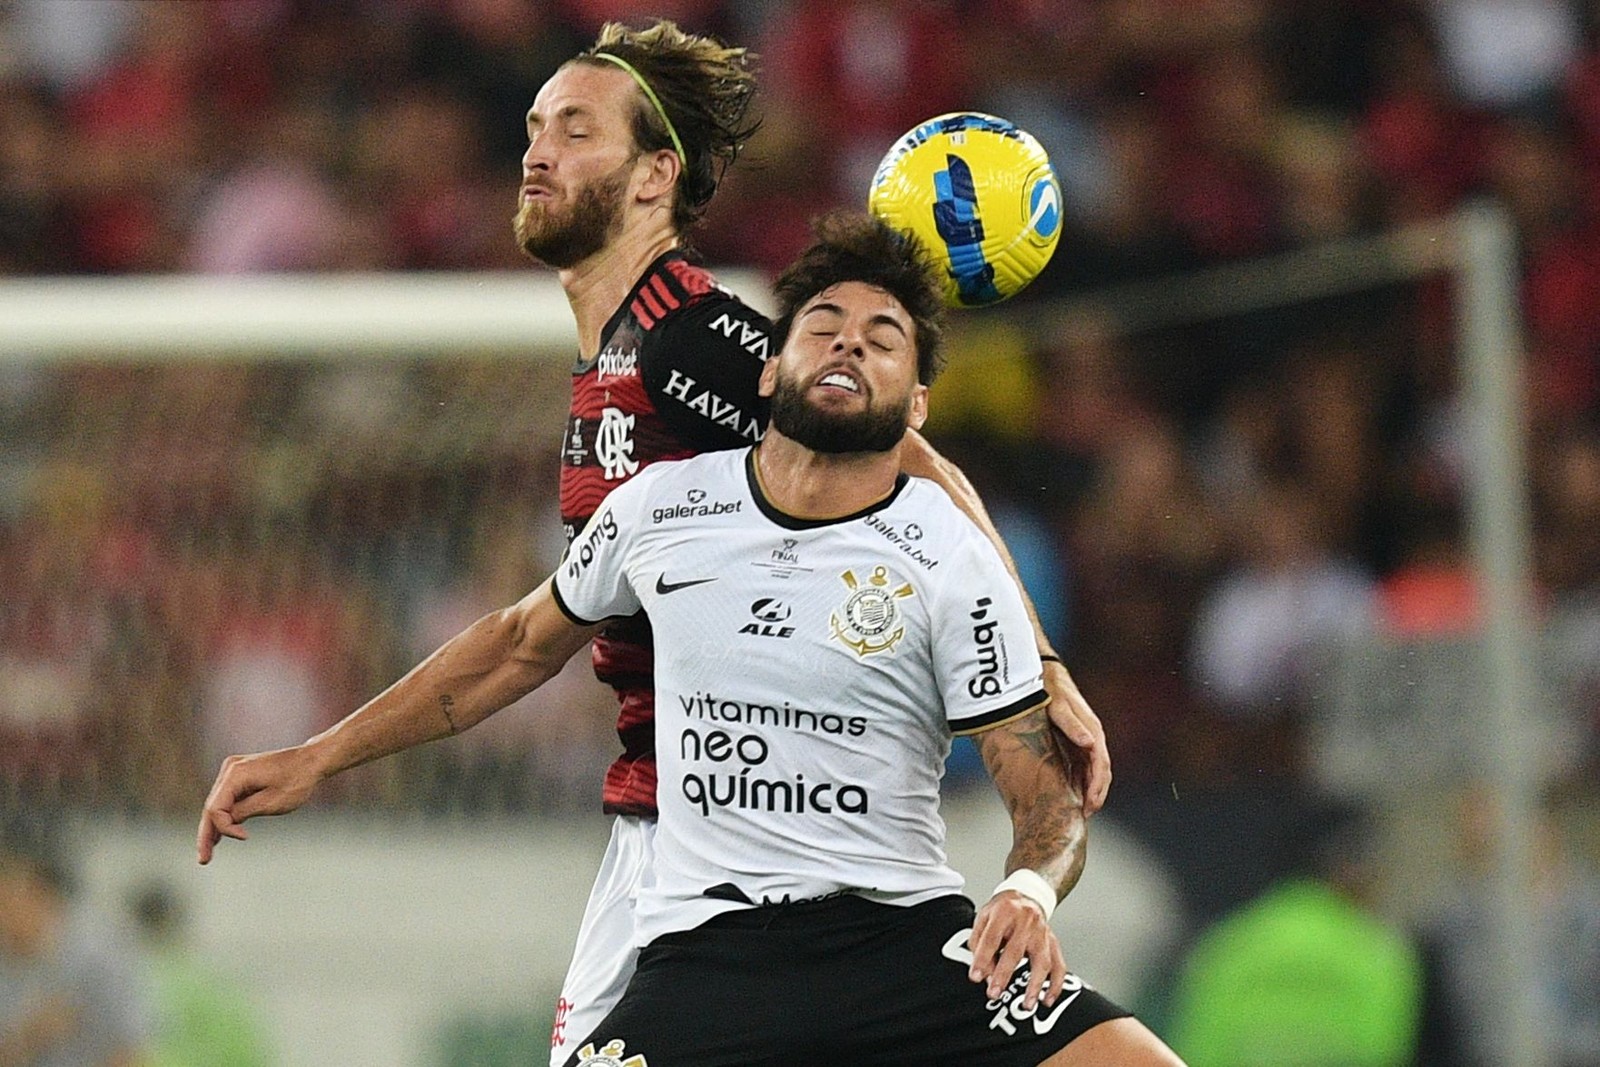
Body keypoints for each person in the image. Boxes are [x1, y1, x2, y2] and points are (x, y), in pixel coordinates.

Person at [197, 210, 1178, 1065]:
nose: (847, 346)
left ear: (916, 406)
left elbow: (1045, 795)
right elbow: (511, 645)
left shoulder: (949, 558)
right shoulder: (663, 506)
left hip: (902, 944)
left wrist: (1027, 888)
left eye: (883, 340)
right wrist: (321, 755)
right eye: (822, 325)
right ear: (770, 362)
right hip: (711, 950)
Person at [504, 20, 1110, 1062]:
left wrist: (1038, 660)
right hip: (675, 823)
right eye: (534, 125)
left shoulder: (689, 333)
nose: (537, 150)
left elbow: (912, 465)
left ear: (655, 173)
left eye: (572, 127)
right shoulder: (616, 350)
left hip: (717, 850)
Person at [0, 816, 154, 1067]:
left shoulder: (99, 956)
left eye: (8, 895)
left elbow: (130, 1051)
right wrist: (29, 1037)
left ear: (40, 893)